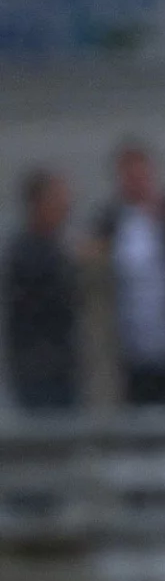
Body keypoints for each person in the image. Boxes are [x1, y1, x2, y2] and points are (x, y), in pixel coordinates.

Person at [91, 141, 165, 405]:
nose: (136, 183)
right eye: (129, 176)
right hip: (130, 344)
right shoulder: (110, 221)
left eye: (141, 175)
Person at [6, 170, 81, 414]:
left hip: (63, 366)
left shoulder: (55, 246)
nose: (65, 207)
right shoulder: (27, 252)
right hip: (41, 370)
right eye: (58, 199)